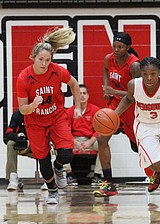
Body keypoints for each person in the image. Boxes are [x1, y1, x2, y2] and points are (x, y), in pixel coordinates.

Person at [16, 27, 81, 205]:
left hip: (56, 116)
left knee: (67, 154)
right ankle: (52, 191)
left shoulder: (57, 71)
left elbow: (74, 84)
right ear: (33, 58)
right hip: (35, 121)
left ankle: (59, 167)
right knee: (43, 159)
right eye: (41, 59)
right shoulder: (23, 78)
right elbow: (22, 109)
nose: (44, 63)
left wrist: (77, 106)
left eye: (47, 60)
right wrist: (32, 105)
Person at [115, 56, 160, 208]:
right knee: (155, 165)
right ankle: (158, 171)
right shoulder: (133, 85)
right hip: (145, 125)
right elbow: (128, 99)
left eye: (153, 74)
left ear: (159, 72)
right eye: (145, 74)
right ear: (140, 73)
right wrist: (115, 114)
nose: (149, 78)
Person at [93, 32, 143, 197]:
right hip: (114, 105)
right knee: (101, 138)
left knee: (138, 148)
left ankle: (156, 169)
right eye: (114, 46)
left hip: (130, 106)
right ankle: (109, 183)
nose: (116, 49)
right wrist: (106, 87)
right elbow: (106, 71)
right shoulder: (109, 58)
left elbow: (135, 94)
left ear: (128, 48)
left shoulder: (135, 66)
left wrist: (113, 90)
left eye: (120, 47)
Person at [64, 84, 103, 186]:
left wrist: (89, 142)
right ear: (75, 96)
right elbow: (65, 131)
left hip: (90, 140)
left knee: (103, 146)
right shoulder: (69, 112)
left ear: (88, 95)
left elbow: (99, 129)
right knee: (61, 146)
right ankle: (69, 175)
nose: (82, 95)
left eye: (84, 93)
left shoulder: (95, 110)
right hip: (74, 140)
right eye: (79, 93)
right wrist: (76, 143)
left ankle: (97, 176)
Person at [4, 109, 33, 191]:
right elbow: (8, 134)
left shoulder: (38, 113)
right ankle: (12, 177)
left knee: (48, 146)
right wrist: (17, 136)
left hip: (35, 145)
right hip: (21, 146)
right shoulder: (17, 114)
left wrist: (31, 142)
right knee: (10, 144)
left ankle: (49, 179)